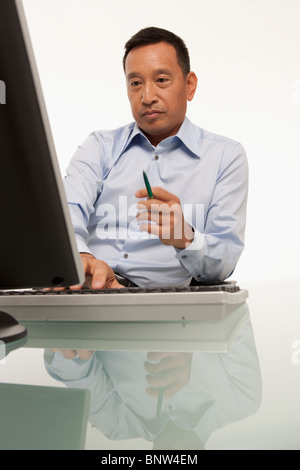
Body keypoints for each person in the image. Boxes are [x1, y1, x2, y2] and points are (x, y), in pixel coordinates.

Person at [64, 27, 248, 289]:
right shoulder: (99, 147)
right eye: (135, 83)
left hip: (162, 308)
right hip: (89, 294)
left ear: (189, 85)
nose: (147, 97)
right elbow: (67, 214)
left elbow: (223, 262)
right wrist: (82, 258)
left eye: (161, 80)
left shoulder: (225, 157)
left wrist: (186, 238)